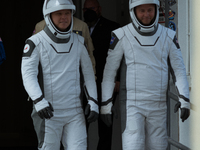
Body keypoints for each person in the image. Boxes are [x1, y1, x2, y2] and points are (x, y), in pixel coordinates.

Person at [100, 0, 190, 150]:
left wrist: (184, 99)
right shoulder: (122, 35)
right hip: (133, 105)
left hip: (159, 105)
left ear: (156, 9)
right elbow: (109, 72)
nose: (146, 14)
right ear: (133, 11)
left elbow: (179, 70)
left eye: (150, 10)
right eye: (142, 10)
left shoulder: (168, 35)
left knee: (158, 147)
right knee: (133, 146)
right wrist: (105, 105)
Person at [21, 0, 99, 150]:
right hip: (48, 112)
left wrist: (93, 101)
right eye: (59, 14)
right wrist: (39, 101)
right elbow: (28, 75)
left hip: (75, 112)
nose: (64, 17)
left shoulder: (79, 41)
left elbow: (88, 75)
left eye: (67, 13)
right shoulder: (34, 42)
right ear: (48, 16)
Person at [83, 0, 120, 149]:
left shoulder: (112, 27)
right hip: (85, 83)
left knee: (105, 124)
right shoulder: (77, 27)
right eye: (85, 9)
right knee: (81, 123)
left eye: (91, 8)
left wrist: (117, 79)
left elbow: (119, 56)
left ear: (99, 9)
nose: (88, 11)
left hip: (106, 82)